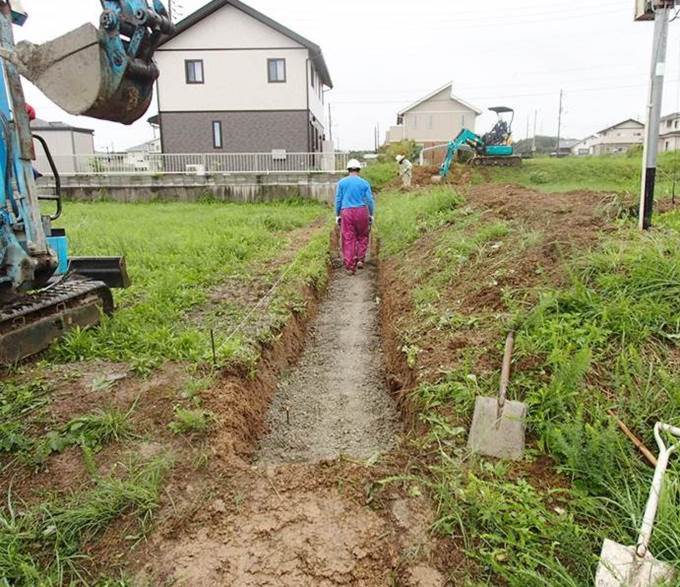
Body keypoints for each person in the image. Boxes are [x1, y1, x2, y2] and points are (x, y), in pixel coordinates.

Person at [335, 159, 375, 275]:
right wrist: (371, 214)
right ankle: (360, 259)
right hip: (362, 211)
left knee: (348, 238)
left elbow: (338, 200)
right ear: (359, 170)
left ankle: (349, 266)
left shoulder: (342, 183)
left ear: (348, 170)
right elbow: (369, 200)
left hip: (346, 212)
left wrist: (337, 214)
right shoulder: (364, 183)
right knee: (363, 235)